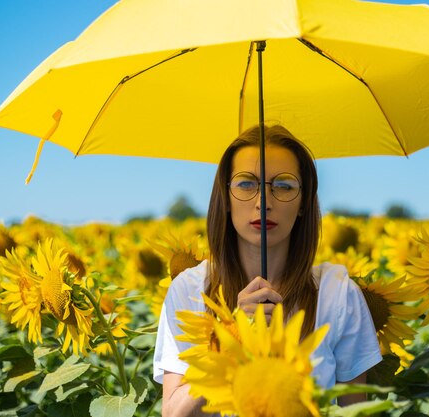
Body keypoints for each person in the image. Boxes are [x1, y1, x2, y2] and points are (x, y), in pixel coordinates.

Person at [154, 124, 382, 417]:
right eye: (246, 184)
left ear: (303, 202)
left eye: (284, 185)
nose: (264, 202)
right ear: (226, 197)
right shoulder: (189, 290)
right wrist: (232, 336)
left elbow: (356, 411)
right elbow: (173, 414)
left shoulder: (336, 294)